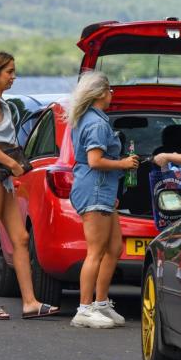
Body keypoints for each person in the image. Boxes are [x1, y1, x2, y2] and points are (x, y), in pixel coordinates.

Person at [0, 51, 60, 320]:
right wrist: (14, 165)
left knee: (20, 238)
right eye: (9, 72)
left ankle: (29, 301)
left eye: (14, 72)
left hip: (0, 177)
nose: (13, 77)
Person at [65, 71, 139, 328]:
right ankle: (84, 309)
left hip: (103, 190)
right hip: (95, 189)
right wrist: (124, 163)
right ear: (99, 94)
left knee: (114, 248)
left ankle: (101, 303)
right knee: (95, 251)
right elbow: (95, 161)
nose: (112, 95)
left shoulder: (91, 119)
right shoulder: (96, 124)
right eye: (109, 90)